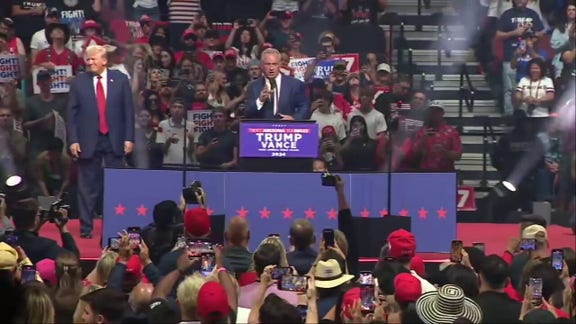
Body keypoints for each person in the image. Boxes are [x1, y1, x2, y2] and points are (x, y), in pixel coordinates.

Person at [67, 45, 135, 239]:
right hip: (88, 140)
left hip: (114, 139)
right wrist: (73, 140)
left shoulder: (120, 80)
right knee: (87, 186)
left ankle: (115, 225)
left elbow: (128, 112)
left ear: (104, 60)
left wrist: (129, 137)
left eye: (93, 59)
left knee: (115, 184)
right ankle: (86, 228)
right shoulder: (79, 82)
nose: (89, 62)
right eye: (87, 59)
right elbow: (71, 115)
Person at [244, 48, 309, 120]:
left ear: (280, 64)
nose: (271, 68)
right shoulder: (253, 86)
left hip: (287, 128)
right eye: (268, 64)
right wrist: (260, 100)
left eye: (274, 64)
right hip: (262, 129)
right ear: (262, 65)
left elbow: (304, 106)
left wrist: (294, 118)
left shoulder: (294, 84)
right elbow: (247, 112)